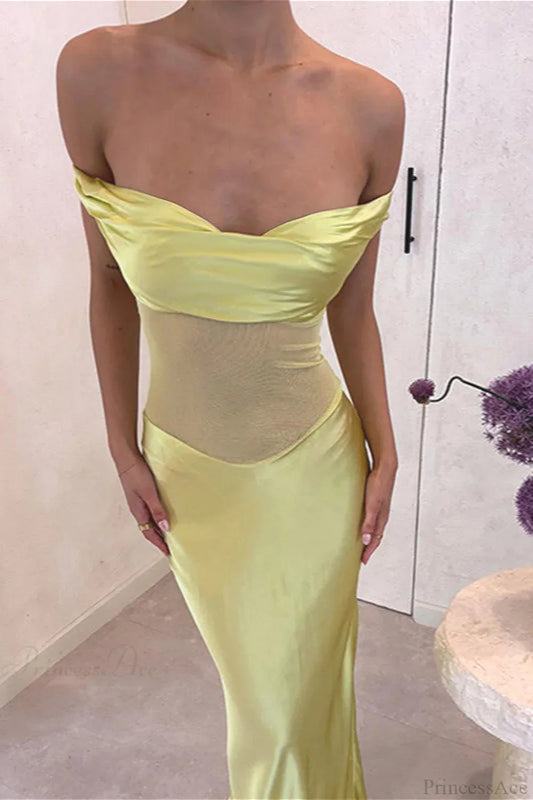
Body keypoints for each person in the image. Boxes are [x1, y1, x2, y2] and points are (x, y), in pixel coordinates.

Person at [56, 2, 403, 797]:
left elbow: (353, 310)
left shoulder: (370, 106)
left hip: (314, 472)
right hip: (190, 473)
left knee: (286, 712)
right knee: (263, 703)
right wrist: (121, 447)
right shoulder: (96, 70)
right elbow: (108, 282)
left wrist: (385, 452)